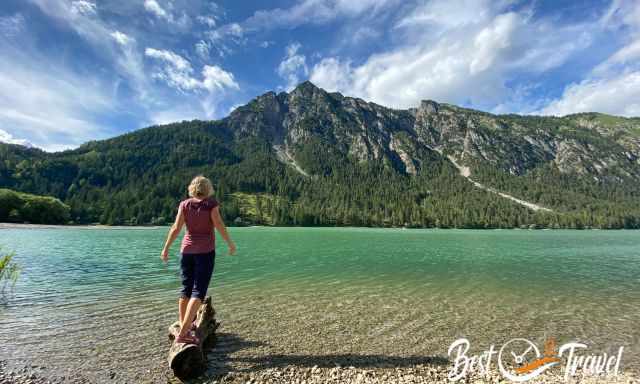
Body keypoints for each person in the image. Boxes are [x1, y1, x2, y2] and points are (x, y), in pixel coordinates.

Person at [161, 175, 236, 344]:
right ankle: (184, 332)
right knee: (198, 292)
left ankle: (183, 325)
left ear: (192, 188)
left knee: (186, 289)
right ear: (208, 189)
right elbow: (219, 225)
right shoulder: (211, 204)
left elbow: (176, 228)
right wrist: (230, 243)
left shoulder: (184, 204)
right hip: (205, 252)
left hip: (186, 252)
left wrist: (166, 248)